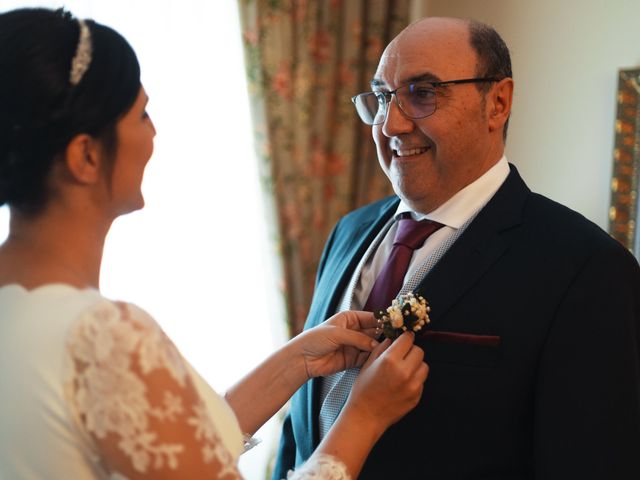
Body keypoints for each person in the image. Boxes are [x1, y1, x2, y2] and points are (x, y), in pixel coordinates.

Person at [0, 8, 430, 480]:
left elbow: (169, 444)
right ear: (85, 155)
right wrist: (362, 419)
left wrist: (298, 360)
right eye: (141, 113)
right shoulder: (101, 338)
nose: (154, 132)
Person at [273, 16, 640, 480]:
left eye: (422, 93)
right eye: (383, 97)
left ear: (497, 103)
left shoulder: (587, 270)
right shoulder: (348, 232)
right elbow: (301, 431)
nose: (391, 124)